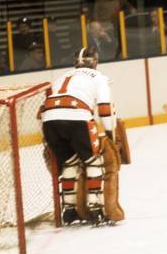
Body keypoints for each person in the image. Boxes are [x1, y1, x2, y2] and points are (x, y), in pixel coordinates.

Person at [41, 46, 124, 225]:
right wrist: (111, 134)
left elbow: (42, 110)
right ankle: (96, 209)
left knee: (69, 164)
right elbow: (104, 108)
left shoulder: (61, 77)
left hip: (49, 121)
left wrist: (46, 140)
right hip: (77, 117)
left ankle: (69, 210)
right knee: (93, 161)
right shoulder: (98, 77)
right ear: (95, 61)